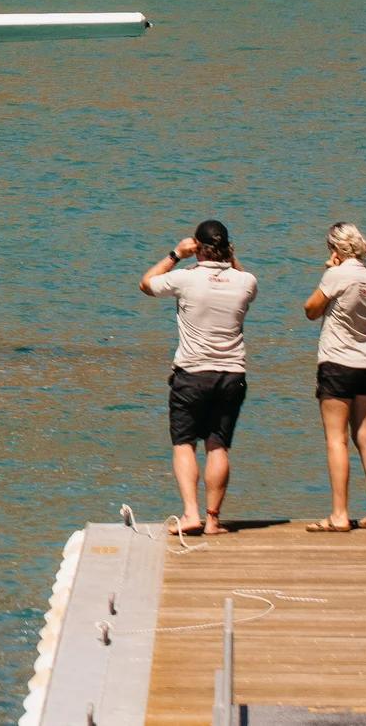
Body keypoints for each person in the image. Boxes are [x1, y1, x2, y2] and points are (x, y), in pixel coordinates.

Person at [140, 218, 257, 537]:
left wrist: (175, 254)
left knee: (184, 444)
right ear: (227, 248)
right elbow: (241, 273)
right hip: (231, 374)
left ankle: (191, 514)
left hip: (192, 373)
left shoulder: (184, 279)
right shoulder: (246, 282)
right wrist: (228, 257)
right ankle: (214, 520)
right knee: (218, 447)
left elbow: (146, 283)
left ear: (198, 249)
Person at [303, 221, 366, 533]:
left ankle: (339, 514)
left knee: (336, 438)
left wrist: (330, 270)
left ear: (336, 249)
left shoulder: (336, 274)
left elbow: (311, 309)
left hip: (337, 363)